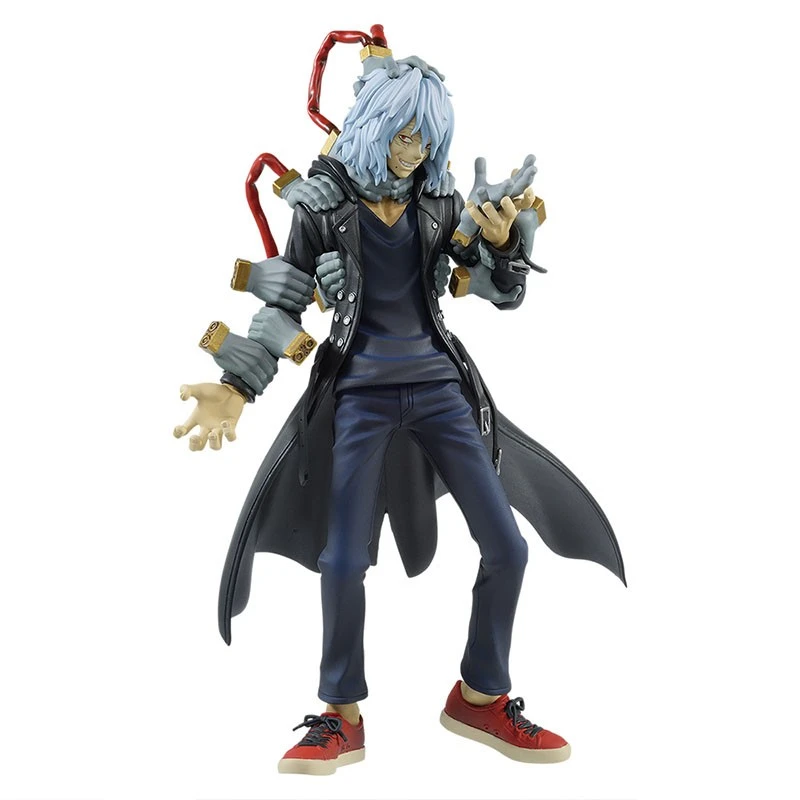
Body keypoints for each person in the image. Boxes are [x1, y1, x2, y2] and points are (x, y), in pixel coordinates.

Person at [175, 56, 625, 776]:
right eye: (403, 134)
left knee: (507, 547)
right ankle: (340, 714)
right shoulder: (322, 209)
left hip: (443, 390)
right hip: (357, 395)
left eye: (427, 138)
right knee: (343, 559)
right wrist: (236, 385)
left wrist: (506, 242)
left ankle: (480, 697)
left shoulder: (441, 204)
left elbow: (499, 288)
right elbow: (284, 300)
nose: (413, 151)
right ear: (372, 127)